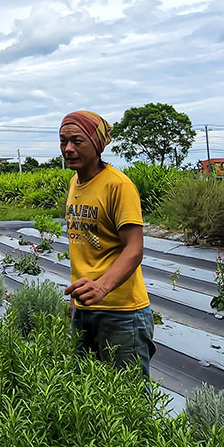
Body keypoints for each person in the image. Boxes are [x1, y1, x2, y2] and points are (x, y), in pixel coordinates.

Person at [59, 110, 157, 378]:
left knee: (129, 402)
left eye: (77, 141)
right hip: (86, 308)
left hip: (122, 314)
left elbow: (134, 248)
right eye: (63, 141)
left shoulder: (118, 186)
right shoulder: (74, 183)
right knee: (87, 397)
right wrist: (77, 301)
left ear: (97, 144)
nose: (68, 149)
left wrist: (101, 287)